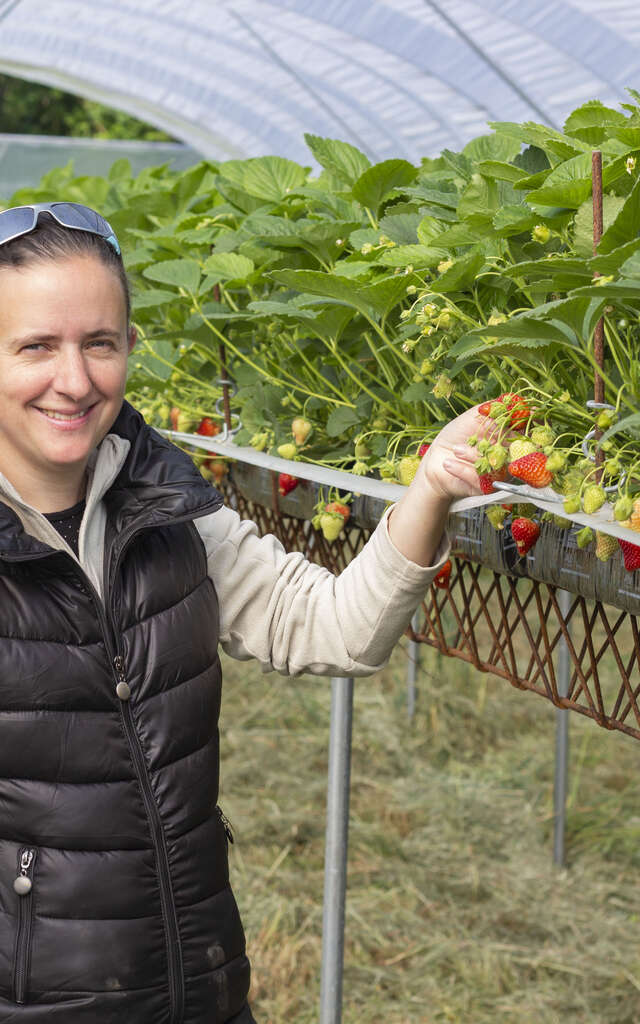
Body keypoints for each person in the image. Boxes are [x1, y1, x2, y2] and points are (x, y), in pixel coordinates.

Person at [0, 203, 485, 1024]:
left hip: (200, 982)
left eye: (101, 343)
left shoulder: (167, 510)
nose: (75, 380)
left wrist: (430, 489)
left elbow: (329, 626)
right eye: (36, 347)